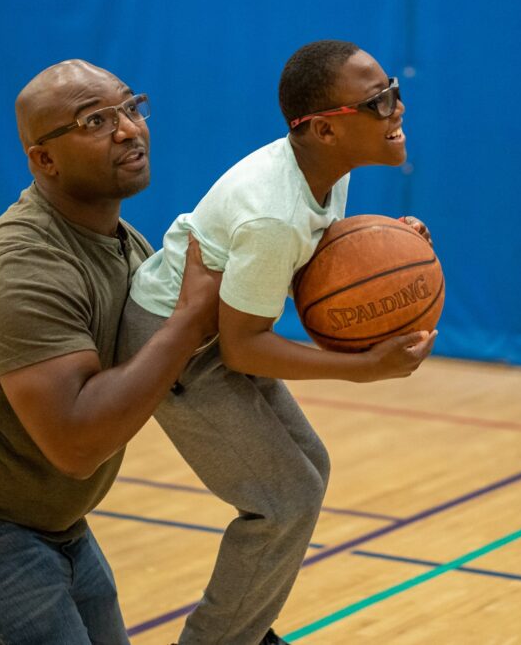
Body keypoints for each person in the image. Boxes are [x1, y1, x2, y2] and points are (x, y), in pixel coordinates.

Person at [0, 59, 222, 644]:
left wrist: (358, 347)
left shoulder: (120, 242)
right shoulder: (22, 269)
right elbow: (76, 442)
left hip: (50, 519)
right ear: (44, 160)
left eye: (132, 107)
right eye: (95, 120)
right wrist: (186, 323)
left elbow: (199, 347)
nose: (129, 129)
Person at [117, 40, 438, 645]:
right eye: (378, 102)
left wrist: (385, 247)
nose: (398, 107)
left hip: (218, 327)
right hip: (171, 341)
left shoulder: (321, 172)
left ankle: (243, 627)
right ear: (322, 128)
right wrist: (365, 366)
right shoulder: (273, 213)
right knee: (283, 501)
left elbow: (308, 257)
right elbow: (244, 348)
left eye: (393, 89)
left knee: (309, 470)